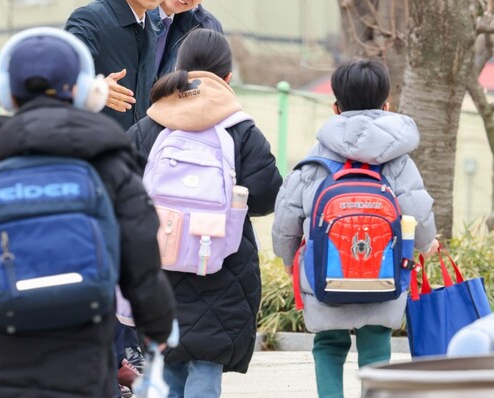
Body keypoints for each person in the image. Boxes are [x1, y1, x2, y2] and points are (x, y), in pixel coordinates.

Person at [0, 28, 176, 397]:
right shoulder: (103, 152)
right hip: (80, 344)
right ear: (83, 91)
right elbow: (140, 247)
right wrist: (156, 327)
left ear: (3, 92)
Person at [126, 29, 282, 398]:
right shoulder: (241, 130)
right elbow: (265, 196)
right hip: (220, 262)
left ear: (179, 70)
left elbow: (121, 190)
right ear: (227, 78)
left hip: (157, 263)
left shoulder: (149, 127)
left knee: (166, 360)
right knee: (206, 363)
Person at [271, 58, 439, 398]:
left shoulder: (315, 159)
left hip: (324, 273)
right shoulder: (398, 160)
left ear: (335, 107)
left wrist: (288, 259)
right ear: (386, 105)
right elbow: (416, 209)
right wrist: (427, 243)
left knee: (329, 345)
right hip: (383, 273)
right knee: (376, 347)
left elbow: (286, 217)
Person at [66, 0, 179, 130]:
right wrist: (93, 88)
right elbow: (60, 76)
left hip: (133, 154)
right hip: (93, 148)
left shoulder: (149, 28)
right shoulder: (90, 18)